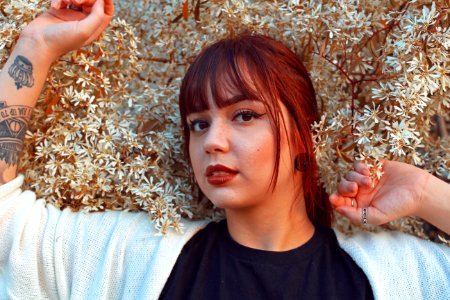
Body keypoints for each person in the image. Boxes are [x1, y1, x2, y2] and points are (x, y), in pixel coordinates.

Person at [0, 0, 449, 299]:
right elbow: (8, 226)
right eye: (198, 123)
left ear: (303, 133)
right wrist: (36, 45)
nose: (211, 141)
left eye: (245, 115)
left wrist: (426, 194)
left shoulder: (394, 276)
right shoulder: (136, 255)